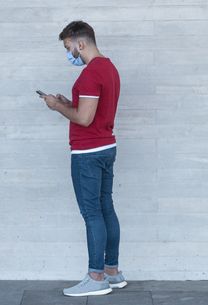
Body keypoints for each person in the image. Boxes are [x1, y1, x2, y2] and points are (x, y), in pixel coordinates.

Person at [38, 20, 127, 297]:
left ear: (81, 42)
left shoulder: (90, 74)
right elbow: (92, 112)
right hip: (106, 147)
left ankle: (96, 277)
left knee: (92, 214)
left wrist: (56, 108)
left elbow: (85, 119)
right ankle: (113, 272)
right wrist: (67, 103)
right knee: (106, 209)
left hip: (88, 153)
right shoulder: (109, 69)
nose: (69, 53)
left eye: (68, 47)